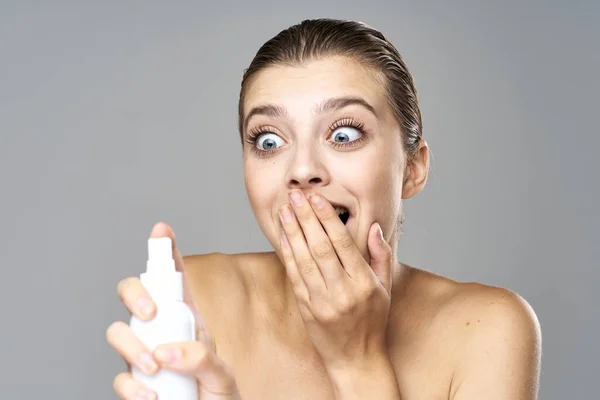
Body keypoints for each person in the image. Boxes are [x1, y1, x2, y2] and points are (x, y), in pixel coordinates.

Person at [106, 18, 542, 400]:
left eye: (345, 134)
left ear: (413, 168)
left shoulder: (490, 330)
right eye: (269, 141)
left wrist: (357, 362)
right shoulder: (195, 299)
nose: (302, 169)